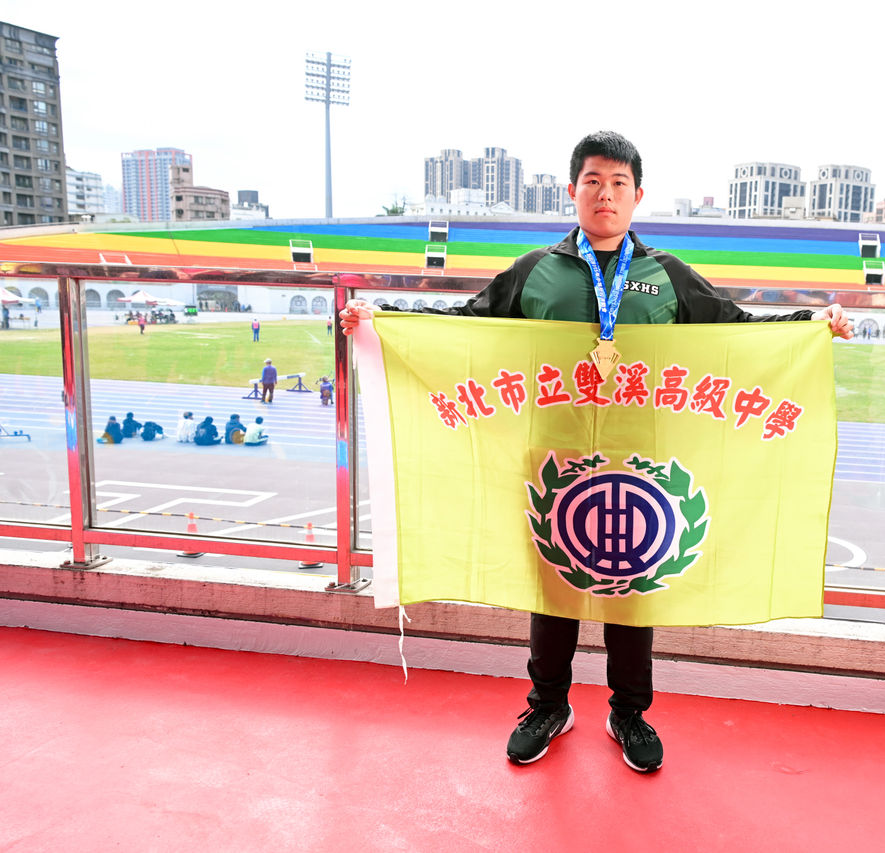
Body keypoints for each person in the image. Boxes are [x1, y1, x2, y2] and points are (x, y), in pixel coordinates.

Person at [340, 131, 852, 773]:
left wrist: (812, 325)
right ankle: (548, 706)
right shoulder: (536, 270)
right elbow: (468, 322)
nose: (605, 194)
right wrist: (381, 318)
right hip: (551, 453)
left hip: (643, 459)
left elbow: (735, 331)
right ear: (573, 190)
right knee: (552, 586)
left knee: (636, 590)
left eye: (617, 183)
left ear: (637, 195)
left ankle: (629, 713)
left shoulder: (666, 275)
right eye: (592, 181)